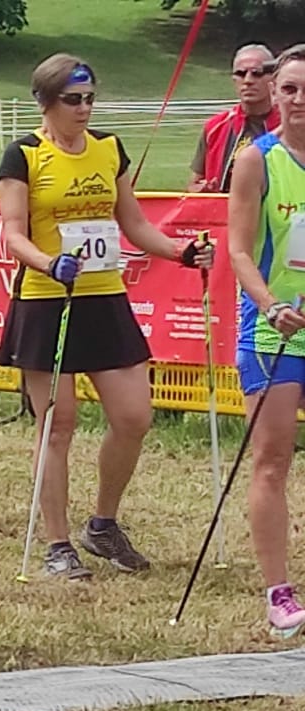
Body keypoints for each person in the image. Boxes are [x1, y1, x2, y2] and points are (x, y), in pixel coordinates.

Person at [0, 54, 214, 581]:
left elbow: (134, 224)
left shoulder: (108, 149)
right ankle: (56, 543)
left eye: (91, 98)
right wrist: (49, 262)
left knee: (135, 416)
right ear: (46, 101)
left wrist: (180, 251)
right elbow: (12, 231)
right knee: (58, 424)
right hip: (49, 301)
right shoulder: (23, 154)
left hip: (103, 298)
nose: (85, 108)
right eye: (74, 100)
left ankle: (103, 524)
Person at [221, 43, 305, 639]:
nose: (300, 101)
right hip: (275, 332)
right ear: (274, 96)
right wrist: (269, 304)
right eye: (291, 90)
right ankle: (278, 591)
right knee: (272, 458)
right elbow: (239, 249)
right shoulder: (257, 158)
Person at [191, 44, 279, 193]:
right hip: (222, 213)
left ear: (274, 78)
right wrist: (202, 189)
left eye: (257, 73)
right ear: (233, 79)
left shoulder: (291, 126)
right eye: (240, 73)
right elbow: (193, 185)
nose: (248, 80)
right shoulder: (214, 127)